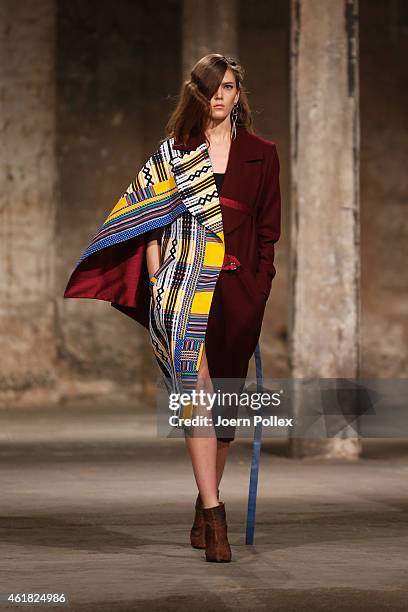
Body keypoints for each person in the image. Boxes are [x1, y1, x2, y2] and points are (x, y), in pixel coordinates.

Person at [64, 53, 281, 563]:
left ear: (237, 93)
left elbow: (268, 230)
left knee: (223, 411)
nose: (221, 97)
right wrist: (159, 269)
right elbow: (143, 219)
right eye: (212, 89)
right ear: (197, 95)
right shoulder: (174, 152)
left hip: (240, 289)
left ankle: (204, 504)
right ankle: (215, 514)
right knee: (197, 396)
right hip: (183, 287)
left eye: (228, 87)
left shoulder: (262, 153)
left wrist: (260, 282)